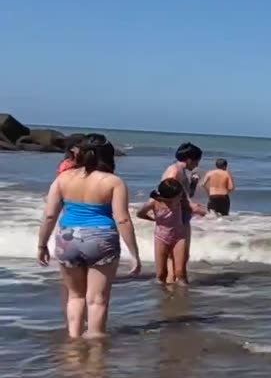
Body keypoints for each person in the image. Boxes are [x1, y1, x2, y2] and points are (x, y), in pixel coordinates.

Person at [35, 137, 142, 339]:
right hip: (101, 238)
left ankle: (74, 343)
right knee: (97, 299)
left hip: (68, 238)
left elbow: (50, 215)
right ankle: (95, 347)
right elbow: (123, 219)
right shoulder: (113, 182)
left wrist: (42, 244)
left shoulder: (63, 179)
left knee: (74, 296)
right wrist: (134, 254)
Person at [162, 142, 206, 277]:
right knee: (176, 256)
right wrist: (191, 207)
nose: (197, 164)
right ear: (189, 159)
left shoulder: (181, 172)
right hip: (175, 217)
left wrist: (193, 183)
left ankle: (173, 286)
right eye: (197, 161)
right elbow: (166, 195)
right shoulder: (174, 171)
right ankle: (174, 287)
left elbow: (186, 195)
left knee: (182, 255)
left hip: (182, 216)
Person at [136, 178, 191, 284]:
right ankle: (164, 297)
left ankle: (183, 297)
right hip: (161, 237)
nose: (180, 197)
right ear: (167, 197)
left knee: (180, 272)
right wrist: (153, 219)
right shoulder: (154, 203)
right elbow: (140, 213)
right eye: (177, 196)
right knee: (161, 274)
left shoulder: (180, 200)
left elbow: (191, 205)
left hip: (179, 237)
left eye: (180, 195)